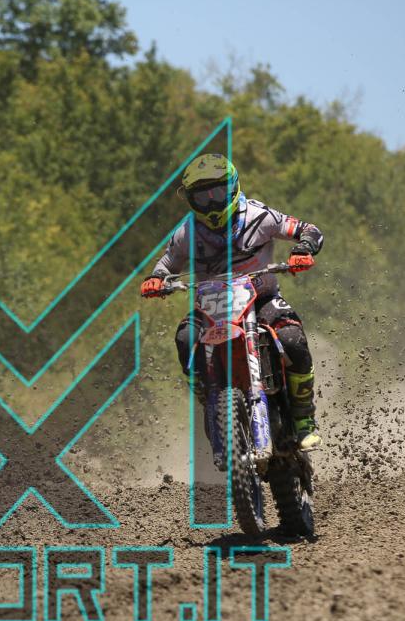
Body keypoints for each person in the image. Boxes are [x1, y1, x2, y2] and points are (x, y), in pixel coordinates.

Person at [139, 154, 324, 449]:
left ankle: (304, 421)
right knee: (185, 338)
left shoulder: (259, 216)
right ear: (191, 200)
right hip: (211, 306)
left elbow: (308, 229)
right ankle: (209, 398)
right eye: (203, 197)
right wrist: (156, 279)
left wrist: (303, 249)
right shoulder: (187, 232)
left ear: (234, 187)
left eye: (218, 193)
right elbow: (167, 262)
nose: (212, 203)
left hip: (261, 299)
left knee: (292, 338)